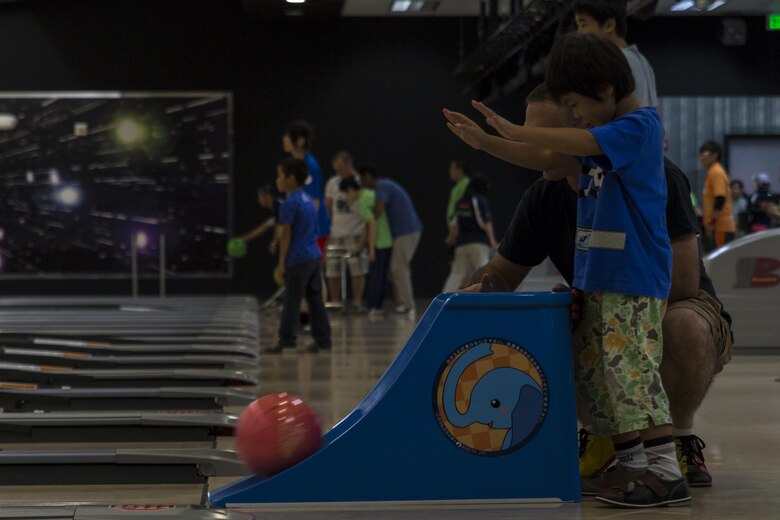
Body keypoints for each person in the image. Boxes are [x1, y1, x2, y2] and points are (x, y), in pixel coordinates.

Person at [445, 34, 688, 508]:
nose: (576, 116)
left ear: (604, 88)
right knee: (601, 377)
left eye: (576, 105)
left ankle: (666, 472)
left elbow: (573, 141)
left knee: (631, 374)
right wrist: (486, 141)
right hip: (599, 281)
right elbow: (543, 159)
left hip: (633, 283)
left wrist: (516, 129)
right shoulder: (602, 142)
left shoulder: (639, 128)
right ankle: (633, 462)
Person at [268, 157, 331, 354]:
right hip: (313, 255)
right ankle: (323, 340)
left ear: (291, 179)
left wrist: (281, 262)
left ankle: (286, 340)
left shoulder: (289, 203)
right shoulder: (309, 201)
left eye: (280, 176)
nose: (277, 180)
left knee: (291, 301)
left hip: (298, 257)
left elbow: (285, 234)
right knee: (315, 300)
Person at [360, 168, 422, 316]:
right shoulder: (386, 185)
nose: (361, 183)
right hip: (405, 232)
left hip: (406, 232)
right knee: (398, 268)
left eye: (362, 180)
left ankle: (407, 304)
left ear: (368, 177)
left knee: (398, 267)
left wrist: (368, 222)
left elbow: (379, 209)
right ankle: (404, 303)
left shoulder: (382, 186)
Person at [574, 0, 657, 108]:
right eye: (578, 26)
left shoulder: (612, 63)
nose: (578, 33)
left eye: (584, 25)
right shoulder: (641, 61)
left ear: (609, 25)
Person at [442, 175, 498, 292]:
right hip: (478, 244)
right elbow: (487, 222)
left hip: (461, 244)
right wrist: (492, 242)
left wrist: (451, 239)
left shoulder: (460, 202)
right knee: (483, 273)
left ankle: (444, 298)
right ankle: (485, 301)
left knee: (457, 274)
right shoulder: (480, 201)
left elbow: (454, 224)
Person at [282, 120, 331, 254]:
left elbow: (314, 203)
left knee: (311, 273)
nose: (284, 139)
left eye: (288, 136)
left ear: (300, 141)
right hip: (303, 233)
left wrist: (305, 234)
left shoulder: (310, 167)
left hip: (315, 233)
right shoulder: (294, 166)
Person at [325, 177, 370, 312]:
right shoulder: (333, 187)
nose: (344, 197)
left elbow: (368, 224)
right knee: (332, 270)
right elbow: (329, 211)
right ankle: (335, 301)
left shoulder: (364, 199)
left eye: (346, 193)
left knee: (357, 270)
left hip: (354, 235)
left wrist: (362, 244)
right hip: (336, 235)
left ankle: (357, 302)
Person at [357, 166, 393, 317]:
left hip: (380, 242)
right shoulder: (371, 194)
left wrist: (370, 249)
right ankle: (375, 304)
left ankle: (374, 305)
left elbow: (371, 224)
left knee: (376, 275)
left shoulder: (363, 200)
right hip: (385, 240)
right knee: (379, 275)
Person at [699, 140, 736, 251]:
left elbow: (720, 199)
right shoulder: (712, 172)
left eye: (704, 154)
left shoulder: (716, 172)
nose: (701, 158)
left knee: (721, 264)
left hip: (721, 227)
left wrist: (711, 223)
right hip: (717, 227)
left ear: (715, 155)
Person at [240, 184, 283, 254]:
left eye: (259, 197)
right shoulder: (276, 207)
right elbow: (263, 227)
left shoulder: (279, 207)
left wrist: (274, 242)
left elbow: (279, 226)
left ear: (267, 196)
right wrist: (244, 239)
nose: (259, 200)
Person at [326, 151, 359, 217]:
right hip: (336, 227)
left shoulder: (362, 183)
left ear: (349, 163)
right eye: (336, 170)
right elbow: (328, 206)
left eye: (341, 169)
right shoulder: (332, 183)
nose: (339, 173)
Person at [446, 160, 471, 224]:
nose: (450, 172)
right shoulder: (457, 187)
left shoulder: (466, 184)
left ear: (459, 169)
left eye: (452, 168)